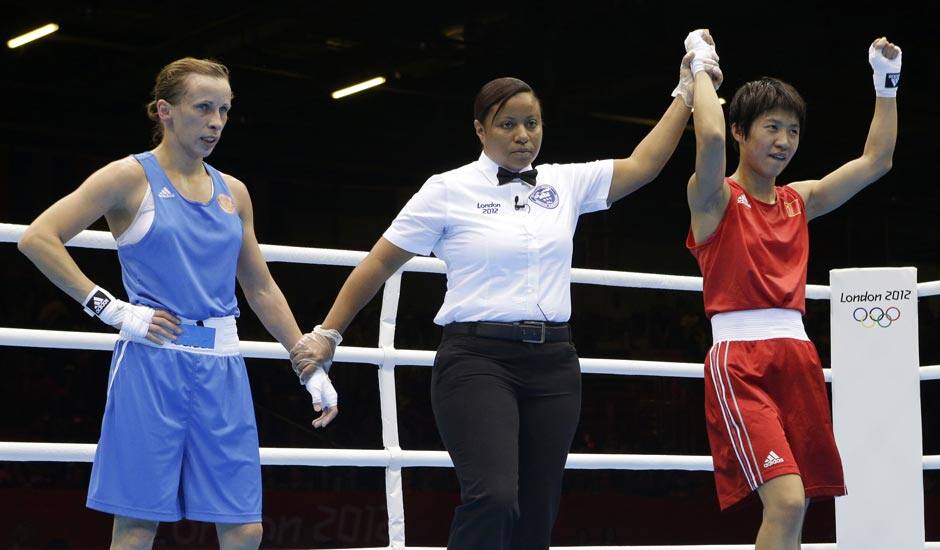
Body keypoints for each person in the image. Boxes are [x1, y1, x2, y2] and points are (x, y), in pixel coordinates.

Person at [289, 36, 722, 549]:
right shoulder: (446, 190)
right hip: (476, 361)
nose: (523, 135)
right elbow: (380, 262)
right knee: (494, 497)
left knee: (537, 513)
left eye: (532, 123)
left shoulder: (565, 183)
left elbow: (643, 164)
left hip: (555, 362)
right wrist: (328, 333)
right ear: (480, 129)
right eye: (508, 124)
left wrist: (685, 90)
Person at [18, 57, 314, 549]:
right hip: (152, 359)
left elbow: (259, 286)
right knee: (137, 525)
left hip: (222, 363)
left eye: (224, 109)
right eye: (203, 107)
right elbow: (39, 238)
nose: (216, 122)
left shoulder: (234, 192)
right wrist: (109, 307)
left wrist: (306, 362)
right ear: (165, 111)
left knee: (245, 527)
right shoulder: (127, 177)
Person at [685, 31, 900, 549]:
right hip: (740, 361)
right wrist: (701, 68)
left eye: (793, 131)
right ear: (740, 130)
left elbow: (877, 162)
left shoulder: (797, 201)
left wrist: (885, 83)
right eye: (772, 127)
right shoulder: (713, 199)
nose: (784, 140)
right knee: (785, 500)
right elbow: (709, 141)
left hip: (796, 356)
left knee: (798, 505)